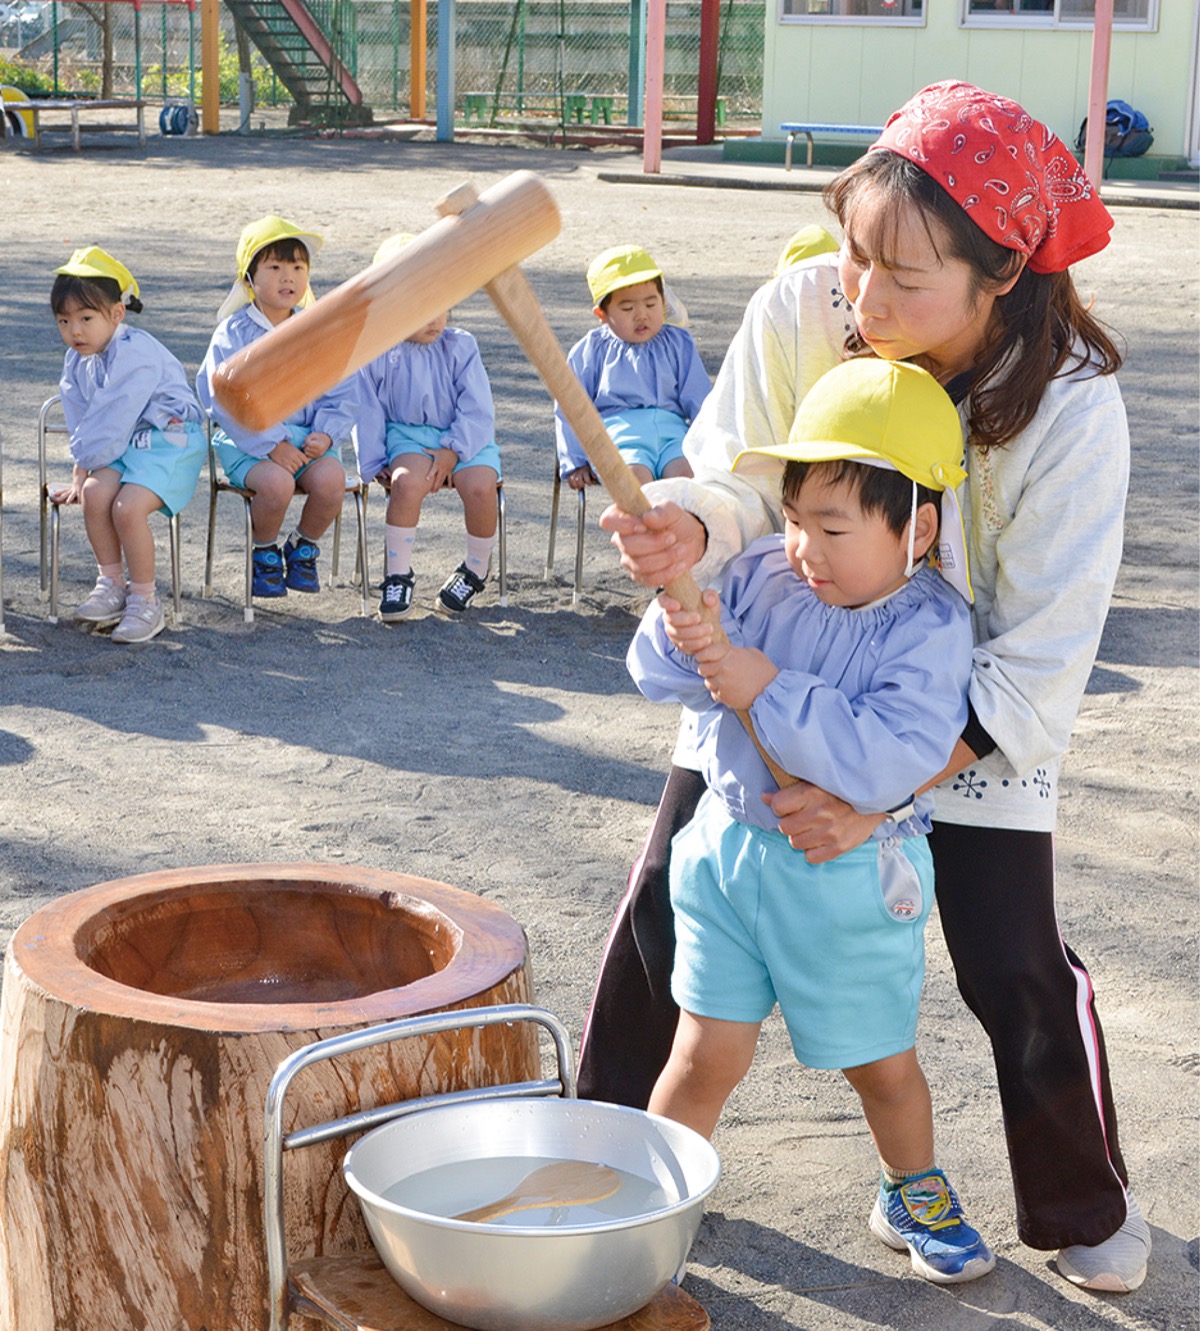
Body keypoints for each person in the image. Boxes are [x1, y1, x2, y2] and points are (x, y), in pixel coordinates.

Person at [579, 80, 1150, 1294]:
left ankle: (1080, 1197)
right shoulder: (807, 304)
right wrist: (688, 526)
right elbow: (736, 478)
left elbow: (1038, 659)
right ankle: (604, 1162)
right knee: (661, 914)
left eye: (907, 278)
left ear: (1003, 276)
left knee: (1013, 960)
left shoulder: (1072, 406)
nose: (865, 298)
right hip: (783, 663)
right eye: (854, 258)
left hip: (946, 707)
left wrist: (877, 794)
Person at [631, 356, 993, 1284]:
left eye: (834, 526)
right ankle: (651, 1198)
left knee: (878, 1061)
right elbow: (665, 673)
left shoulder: (929, 625)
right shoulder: (761, 575)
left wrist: (762, 684)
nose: (805, 548)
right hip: (724, 855)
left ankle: (909, 1184)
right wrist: (684, 620)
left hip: (844, 882)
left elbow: (887, 756)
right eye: (795, 520)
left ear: (917, 526)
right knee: (704, 1047)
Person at [195, 215, 358, 599]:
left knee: (332, 481)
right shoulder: (233, 333)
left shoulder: (316, 329)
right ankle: (264, 552)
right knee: (277, 483)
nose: (289, 277)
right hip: (248, 440)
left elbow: (343, 388)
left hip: (308, 439)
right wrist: (271, 444)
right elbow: (220, 396)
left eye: (298, 267)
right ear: (249, 280)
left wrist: (326, 432)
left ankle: (302, 546)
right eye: (275, 267)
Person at [50, 246, 206, 644]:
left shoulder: (134, 352)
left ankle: (145, 600)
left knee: (127, 506)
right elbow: (83, 417)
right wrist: (81, 471)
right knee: (95, 493)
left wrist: (89, 457)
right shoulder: (77, 360)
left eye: (86, 318)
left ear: (116, 314)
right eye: (64, 321)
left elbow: (111, 418)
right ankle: (111, 584)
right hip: (126, 442)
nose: (75, 331)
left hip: (170, 440)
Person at [352, 233, 501, 621]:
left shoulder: (461, 346)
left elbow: (477, 406)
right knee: (405, 484)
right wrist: (372, 462)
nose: (435, 319)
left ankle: (476, 568)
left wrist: (455, 449)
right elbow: (366, 408)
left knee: (481, 486)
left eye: (441, 305)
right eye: (421, 307)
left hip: (465, 436)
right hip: (408, 436)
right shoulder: (377, 351)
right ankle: (398, 575)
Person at [555, 244, 711, 492]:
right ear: (602, 314)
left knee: (687, 481)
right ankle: (643, 530)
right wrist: (574, 460)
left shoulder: (678, 342)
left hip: (674, 435)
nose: (642, 315)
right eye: (627, 309)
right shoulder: (590, 351)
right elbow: (571, 408)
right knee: (635, 483)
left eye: (651, 305)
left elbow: (700, 398)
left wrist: (711, 444)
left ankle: (675, 530)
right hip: (619, 437)